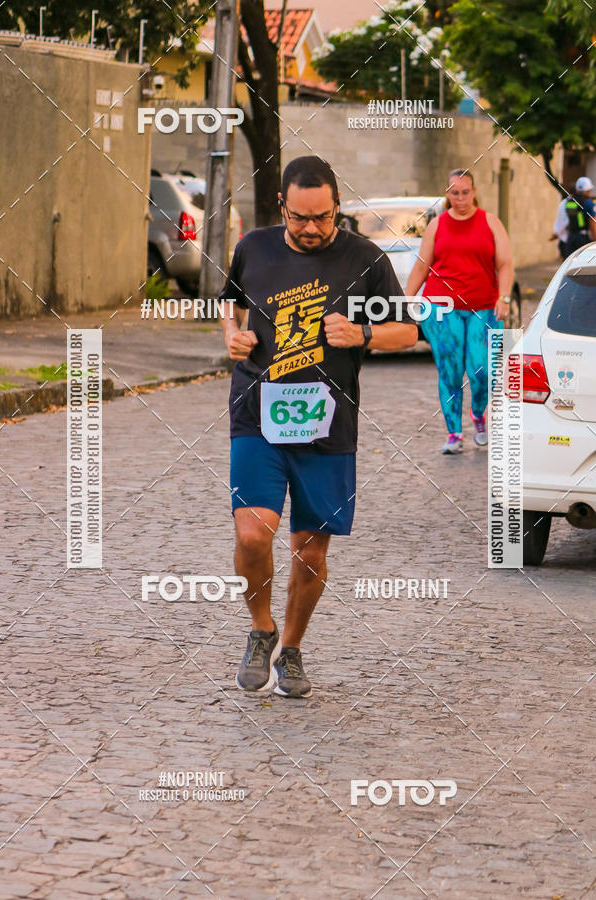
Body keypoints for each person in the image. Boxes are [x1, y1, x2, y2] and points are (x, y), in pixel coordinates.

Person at [219, 156, 417, 699]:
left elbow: (408, 330)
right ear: (282, 205)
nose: (311, 228)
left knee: (310, 550)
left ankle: (293, 650)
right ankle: (262, 629)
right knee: (252, 532)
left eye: (323, 217)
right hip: (257, 414)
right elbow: (231, 307)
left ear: (337, 209)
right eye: (301, 217)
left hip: (329, 425)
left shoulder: (365, 258)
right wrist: (231, 338)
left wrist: (364, 336)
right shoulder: (253, 248)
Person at [405, 168, 513, 454]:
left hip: (483, 307)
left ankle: (478, 414)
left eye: (465, 192)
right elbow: (422, 265)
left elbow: (504, 264)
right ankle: (454, 433)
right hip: (442, 307)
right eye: (455, 193)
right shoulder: (437, 225)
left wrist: (504, 297)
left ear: (474, 192)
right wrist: (405, 299)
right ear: (448, 194)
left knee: (483, 370)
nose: (461, 198)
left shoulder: (490, 222)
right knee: (450, 370)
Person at [551, 176, 596, 259]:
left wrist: (556, 233)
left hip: (571, 238)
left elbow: (564, 220)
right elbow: (592, 222)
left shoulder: (568, 202)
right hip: (583, 239)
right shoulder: (588, 203)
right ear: (587, 190)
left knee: (571, 264)